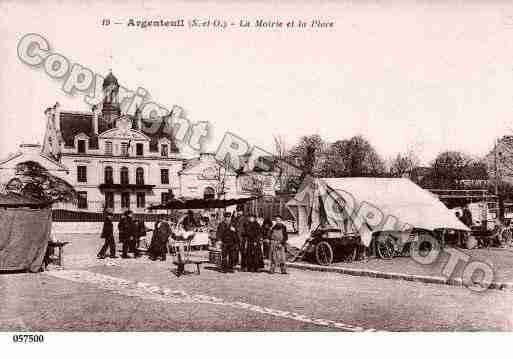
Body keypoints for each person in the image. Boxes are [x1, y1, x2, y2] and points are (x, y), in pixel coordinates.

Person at [231, 206, 248, 271]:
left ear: (242, 212)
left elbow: (246, 229)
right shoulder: (235, 218)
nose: (239, 212)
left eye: (240, 211)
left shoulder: (245, 219)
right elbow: (232, 225)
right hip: (235, 237)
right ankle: (234, 264)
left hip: (242, 238)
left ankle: (243, 266)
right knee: (235, 251)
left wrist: (245, 236)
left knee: (243, 252)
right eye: (238, 211)